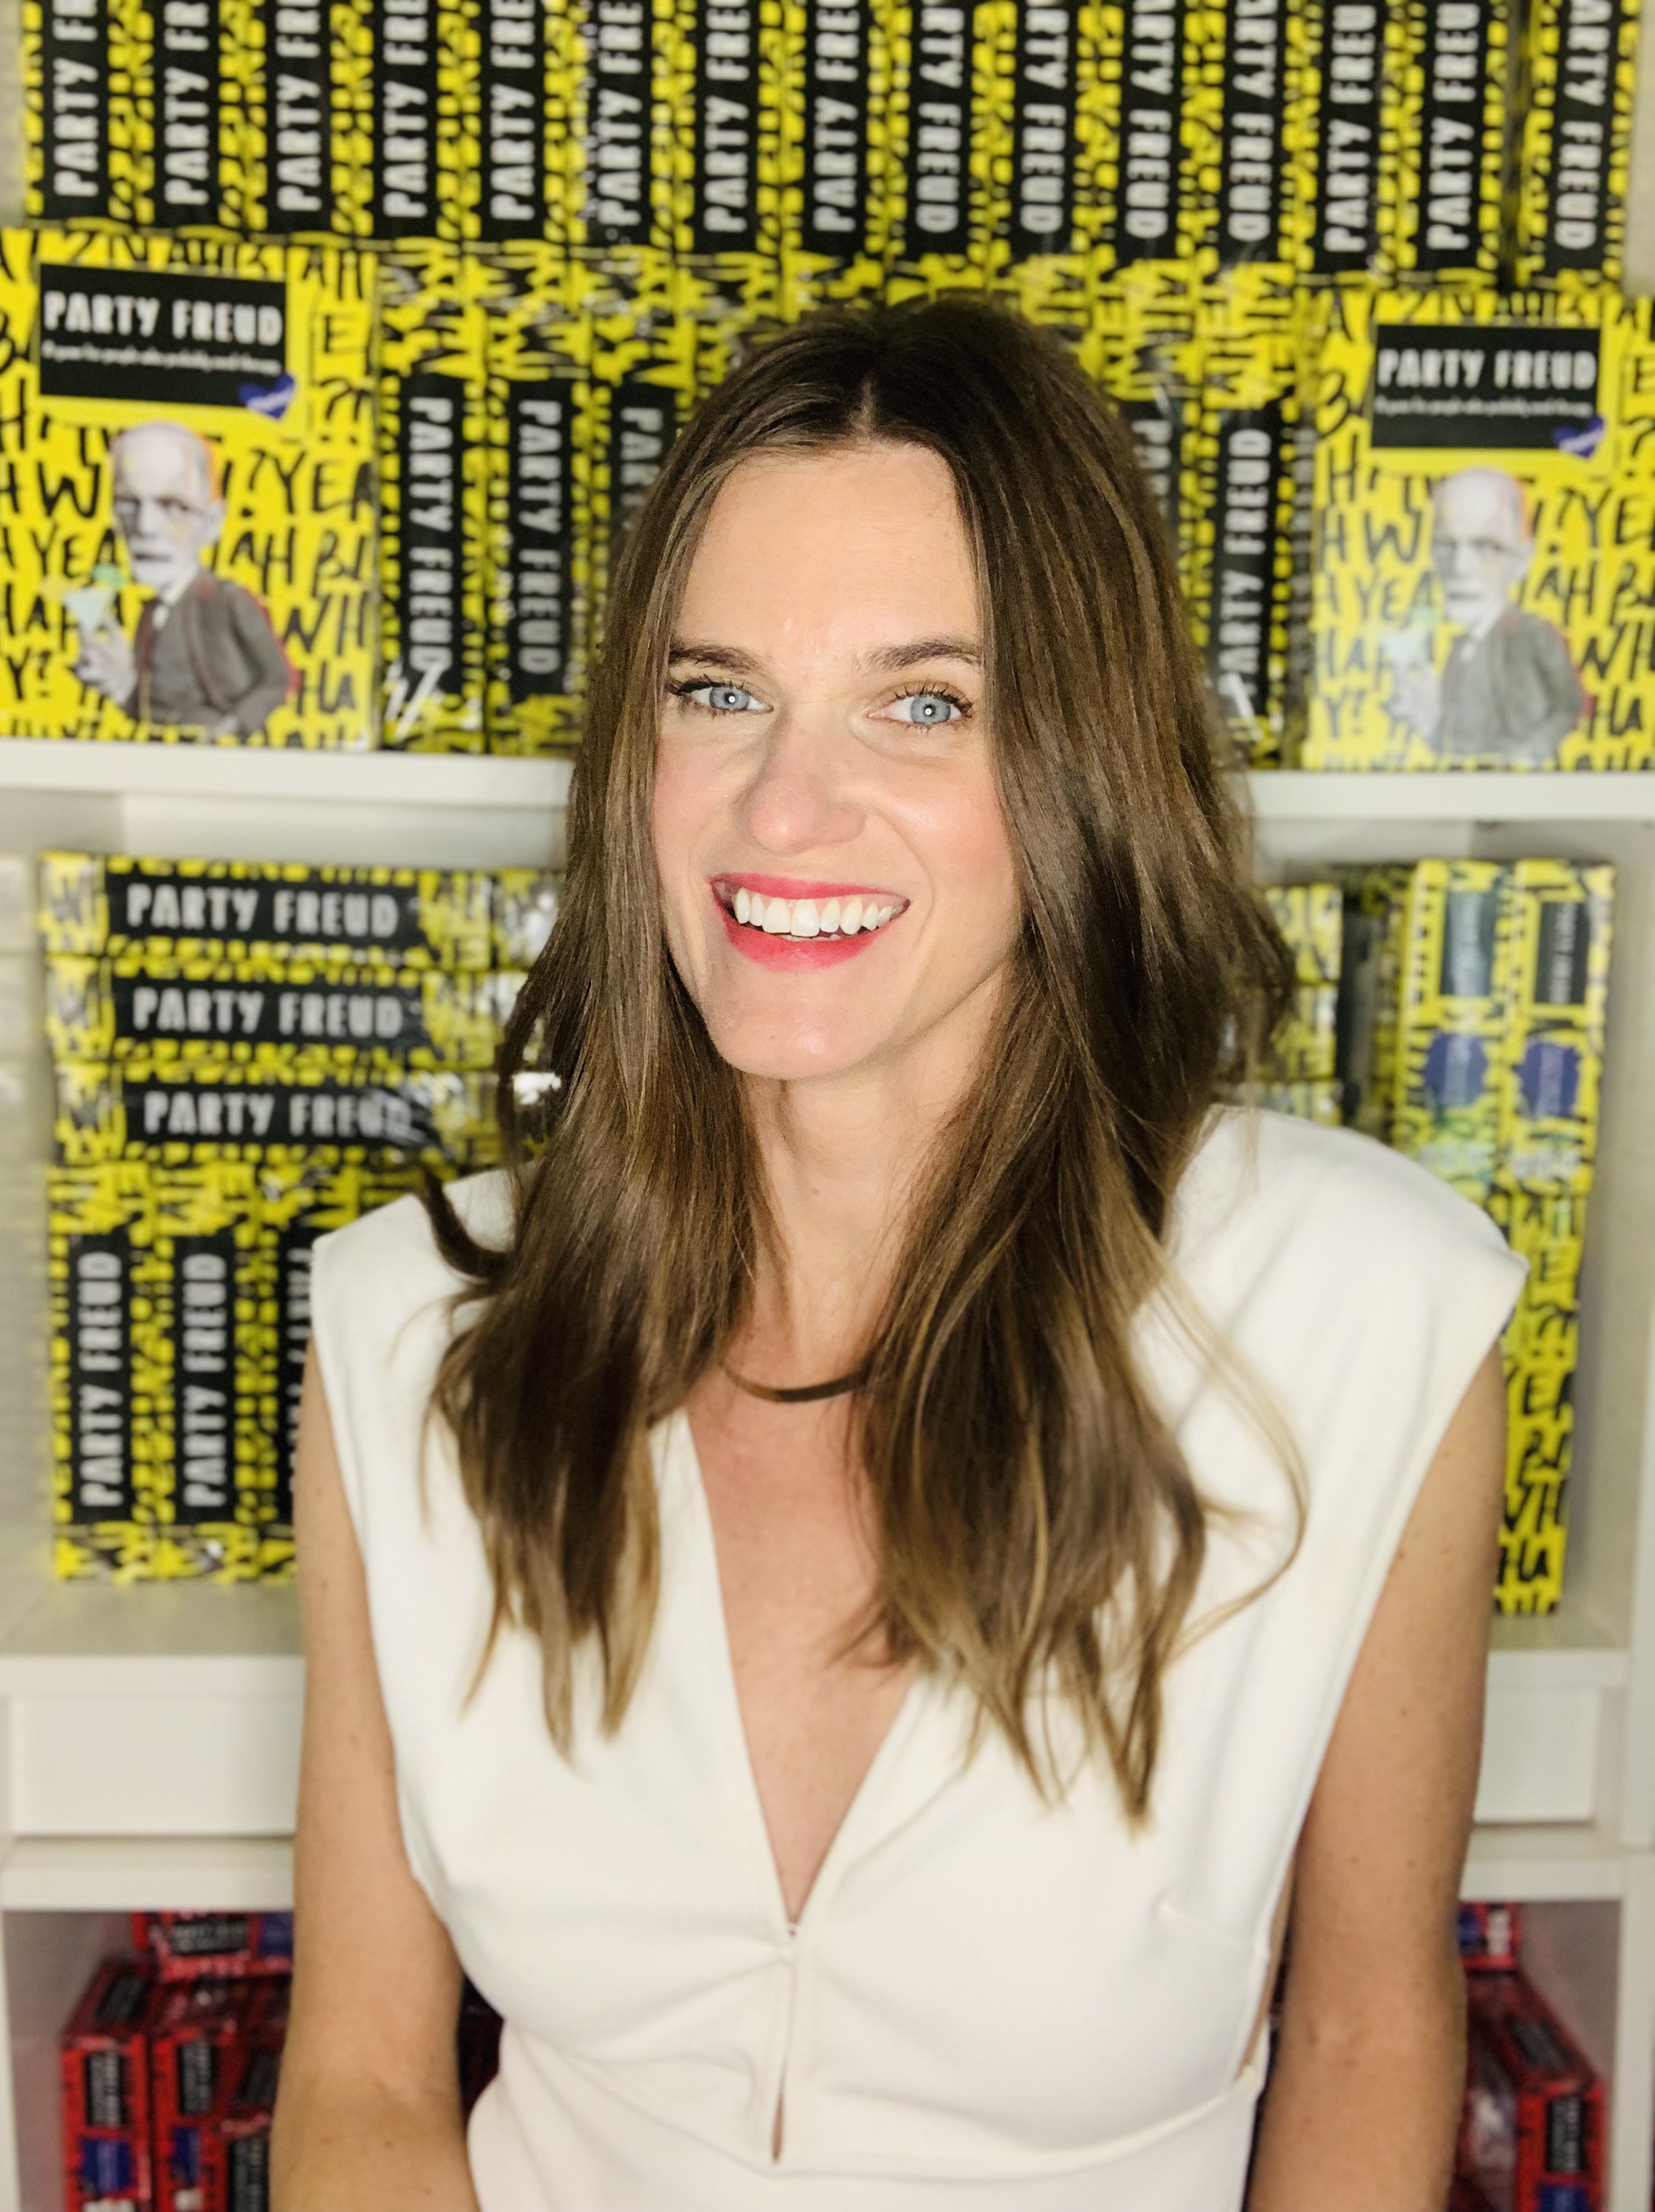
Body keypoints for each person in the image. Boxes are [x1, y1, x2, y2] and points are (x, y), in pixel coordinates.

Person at [272, 302, 1523, 2212]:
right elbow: (361, 2076)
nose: (783, 807)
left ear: (1078, 764)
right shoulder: (405, 1340)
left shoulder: (1368, 1321)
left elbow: (1363, 2032)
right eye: (716, 692)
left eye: (920, 702)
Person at [74, 421, 291, 739]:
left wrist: (233, 726)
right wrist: (121, 685)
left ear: (213, 522)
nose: (146, 527)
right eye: (128, 503)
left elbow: (278, 678)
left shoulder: (229, 601)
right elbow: (153, 709)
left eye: (174, 506)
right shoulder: (149, 612)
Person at [1388, 466, 1586, 765]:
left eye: (1487, 547)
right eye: (1445, 546)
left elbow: (1570, 705)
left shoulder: (1532, 635)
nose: (1460, 567)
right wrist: (1429, 725)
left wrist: (1531, 754)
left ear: (1522, 560)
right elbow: (1461, 745)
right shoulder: (1457, 649)